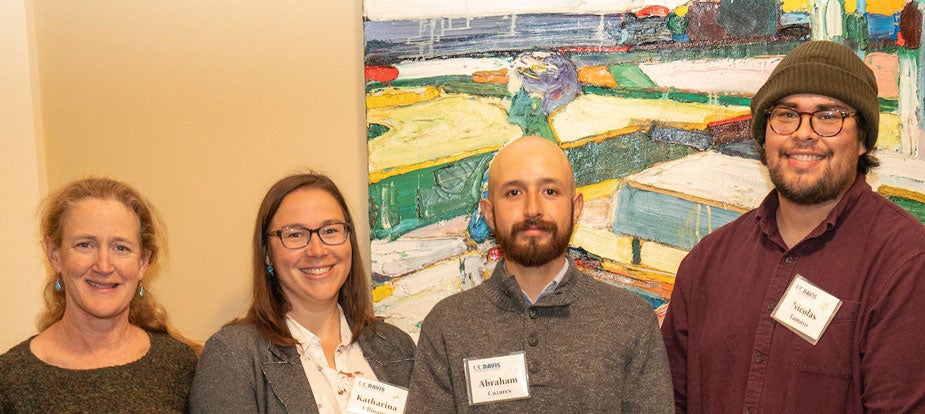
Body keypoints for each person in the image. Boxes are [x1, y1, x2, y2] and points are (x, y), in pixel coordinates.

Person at [661, 40, 925, 413]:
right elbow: (669, 401)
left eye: (829, 115)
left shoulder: (906, 264)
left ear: (863, 138)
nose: (804, 133)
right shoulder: (707, 262)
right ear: (765, 134)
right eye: (786, 114)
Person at [408, 136, 674, 413]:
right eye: (514, 193)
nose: (532, 209)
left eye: (549, 191)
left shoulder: (631, 319)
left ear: (576, 208)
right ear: (489, 213)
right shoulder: (446, 325)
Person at [190, 172, 415, 413]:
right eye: (295, 234)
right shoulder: (234, 356)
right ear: (267, 253)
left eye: (330, 231)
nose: (317, 250)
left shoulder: (397, 347)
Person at [0, 177, 199, 412]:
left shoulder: (179, 365)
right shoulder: (10, 380)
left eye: (121, 248)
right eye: (85, 245)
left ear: (143, 262)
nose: (103, 266)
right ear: (54, 255)